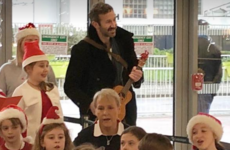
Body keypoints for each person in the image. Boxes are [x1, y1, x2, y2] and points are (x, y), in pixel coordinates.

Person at [64, 2, 143, 126]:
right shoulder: (82, 50)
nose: (113, 25)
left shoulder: (124, 41)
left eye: (114, 19)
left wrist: (138, 77)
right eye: (108, 22)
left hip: (126, 111)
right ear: (95, 24)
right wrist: (90, 105)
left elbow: (133, 69)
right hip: (98, 115)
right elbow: (70, 86)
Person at [12, 41, 63, 141]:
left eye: (47, 65)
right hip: (31, 143)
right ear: (28, 69)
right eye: (41, 66)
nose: (46, 70)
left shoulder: (52, 89)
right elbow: (15, 123)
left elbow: (60, 116)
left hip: (53, 143)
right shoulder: (20, 92)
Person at [0, 22, 56, 97]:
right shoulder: (6, 69)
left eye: (36, 40)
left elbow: (53, 95)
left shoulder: (47, 69)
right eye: (29, 40)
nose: (33, 43)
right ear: (20, 43)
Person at [198, 19, 222, 113]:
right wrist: (213, 89)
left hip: (189, 86)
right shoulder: (213, 48)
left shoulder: (187, 45)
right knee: (202, 117)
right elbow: (219, 73)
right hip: (207, 86)